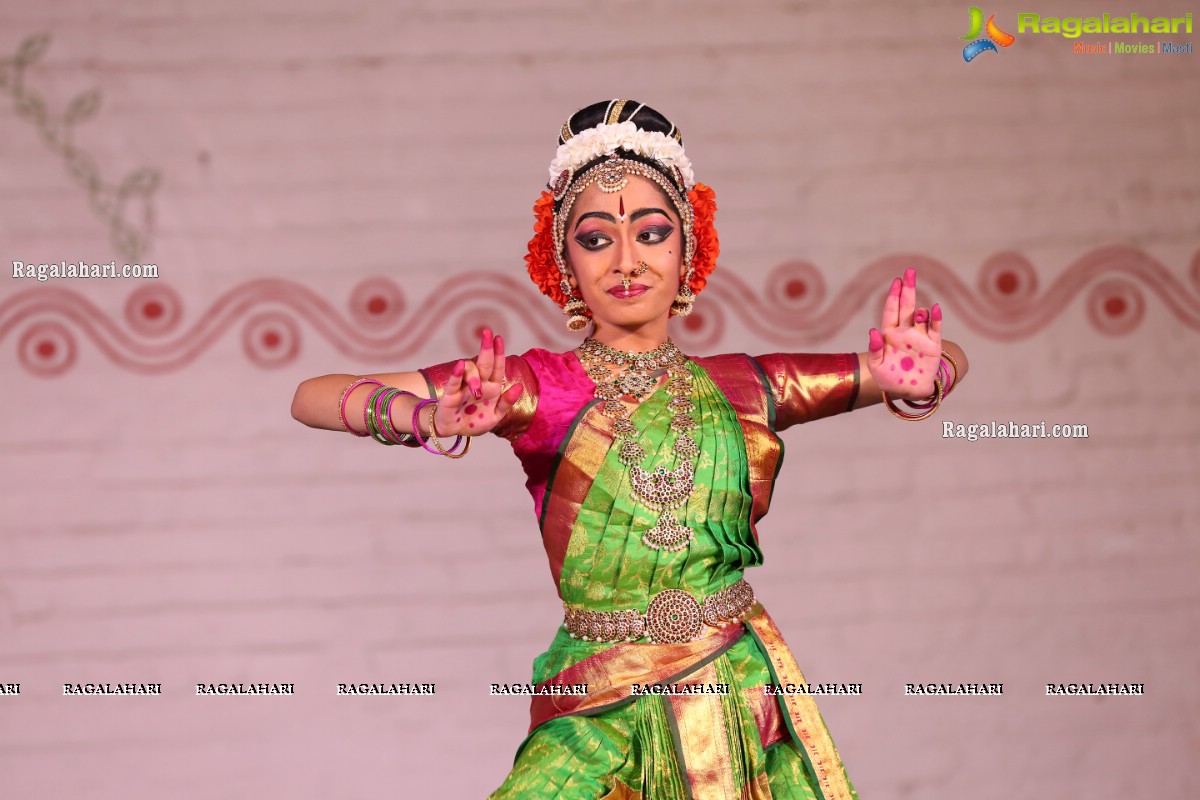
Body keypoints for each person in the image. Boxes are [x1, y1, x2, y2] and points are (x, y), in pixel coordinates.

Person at [291, 99, 968, 800]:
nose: (626, 261)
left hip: (734, 695)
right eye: (595, 239)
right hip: (596, 701)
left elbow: (937, 361)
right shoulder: (534, 387)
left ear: (688, 249)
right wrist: (427, 416)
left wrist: (915, 376)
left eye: (650, 232)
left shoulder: (749, 386)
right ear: (564, 263)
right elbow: (313, 394)